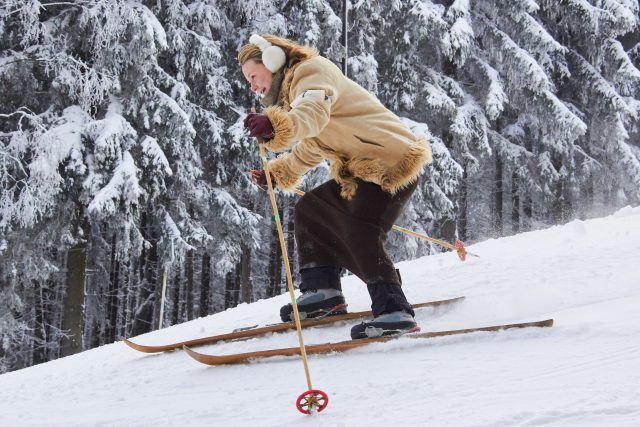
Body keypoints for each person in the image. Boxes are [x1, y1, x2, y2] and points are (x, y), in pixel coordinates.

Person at [238, 34, 432, 339]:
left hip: (390, 162)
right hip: (363, 168)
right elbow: (315, 146)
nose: (252, 86)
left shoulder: (311, 72)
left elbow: (312, 116)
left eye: (253, 75)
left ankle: (395, 311)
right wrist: (279, 173)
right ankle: (323, 290)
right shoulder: (294, 91)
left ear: (273, 60)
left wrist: (275, 126)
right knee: (311, 209)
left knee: (358, 229)